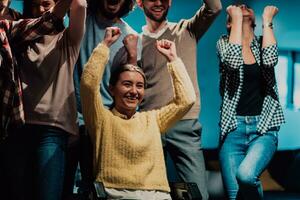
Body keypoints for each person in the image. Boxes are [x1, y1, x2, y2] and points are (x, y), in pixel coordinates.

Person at [80, 27, 195, 199]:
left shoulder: (152, 120)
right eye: (127, 84)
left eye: (139, 86)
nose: (134, 91)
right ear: (112, 89)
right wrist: (104, 45)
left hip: (157, 195)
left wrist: (172, 59)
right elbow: (88, 84)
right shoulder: (102, 119)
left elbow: (186, 100)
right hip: (115, 193)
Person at [136, 0, 222, 198]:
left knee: (197, 193)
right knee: (147, 193)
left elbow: (214, 7)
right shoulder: (136, 40)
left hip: (184, 123)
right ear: (140, 3)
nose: (159, 3)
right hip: (151, 125)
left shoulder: (187, 29)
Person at [1, 0, 86, 199]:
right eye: (35, 5)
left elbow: (80, 5)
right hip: (18, 128)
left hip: (52, 130)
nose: (41, 9)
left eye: (46, 3)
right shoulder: (18, 34)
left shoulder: (68, 38)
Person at [216, 4, 285, 200]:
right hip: (232, 130)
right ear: (229, 24)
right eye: (238, 7)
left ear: (255, 22)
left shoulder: (264, 42)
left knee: (246, 176)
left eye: (246, 7)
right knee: (235, 196)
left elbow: (270, 59)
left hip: (263, 129)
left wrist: (267, 20)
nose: (242, 6)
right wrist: (237, 19)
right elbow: (233, 61)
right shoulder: (222, 43)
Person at [70, 0, 139, 196]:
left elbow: (130, 89)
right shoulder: (80, 20)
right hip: (71, 122)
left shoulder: (131, 36)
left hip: (106, 127)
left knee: (101, 190)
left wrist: (132, 57)